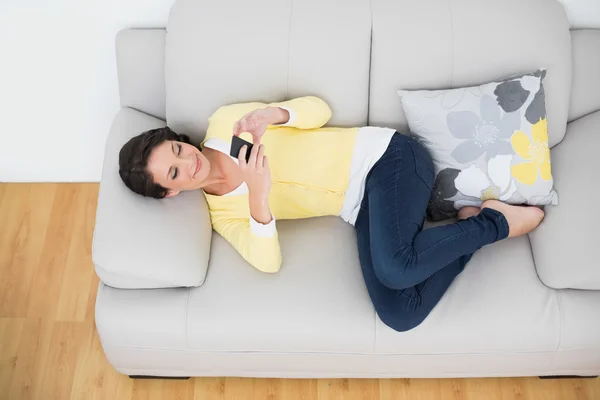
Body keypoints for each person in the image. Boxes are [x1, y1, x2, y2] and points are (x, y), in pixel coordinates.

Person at [119, 96, 544, 332]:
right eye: (174, 172)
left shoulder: (227, 124)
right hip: (359, 206)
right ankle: (473, 223)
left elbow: (319, 110)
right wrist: (259, 197)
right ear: (170, 192)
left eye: (176, 149)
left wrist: (277, 113)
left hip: (386, 158)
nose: (187, 161)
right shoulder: (222, 214)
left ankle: (496, 224)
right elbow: (268, 263)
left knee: (397, 269)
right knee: (400, 313)